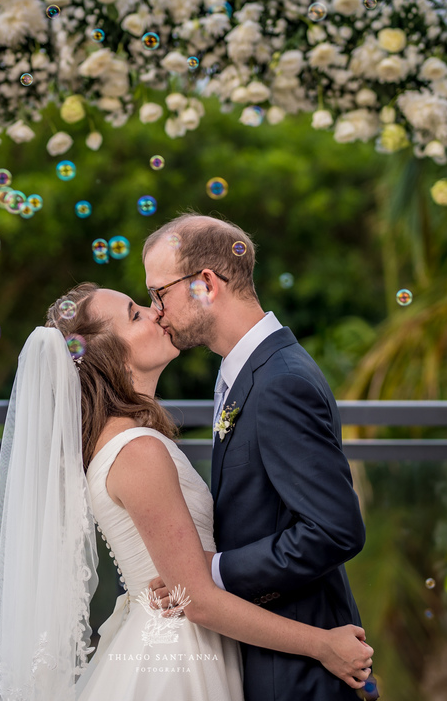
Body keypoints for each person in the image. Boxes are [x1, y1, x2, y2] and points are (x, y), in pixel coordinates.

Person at [0, 280, 373, 701]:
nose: (154, 312)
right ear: (106, 352)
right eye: (134, 314)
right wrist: (323, 645)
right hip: (180, 658)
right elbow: (196, 600)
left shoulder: (127, 440)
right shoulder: (138, 451)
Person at [142, 213, 374, 701]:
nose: (155, 311)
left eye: (159, 293)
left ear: (205, 284)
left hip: (296, 668)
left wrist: (216, 571)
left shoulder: (280, 382)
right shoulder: (243, 372)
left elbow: (335, 529)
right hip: (264, 649)